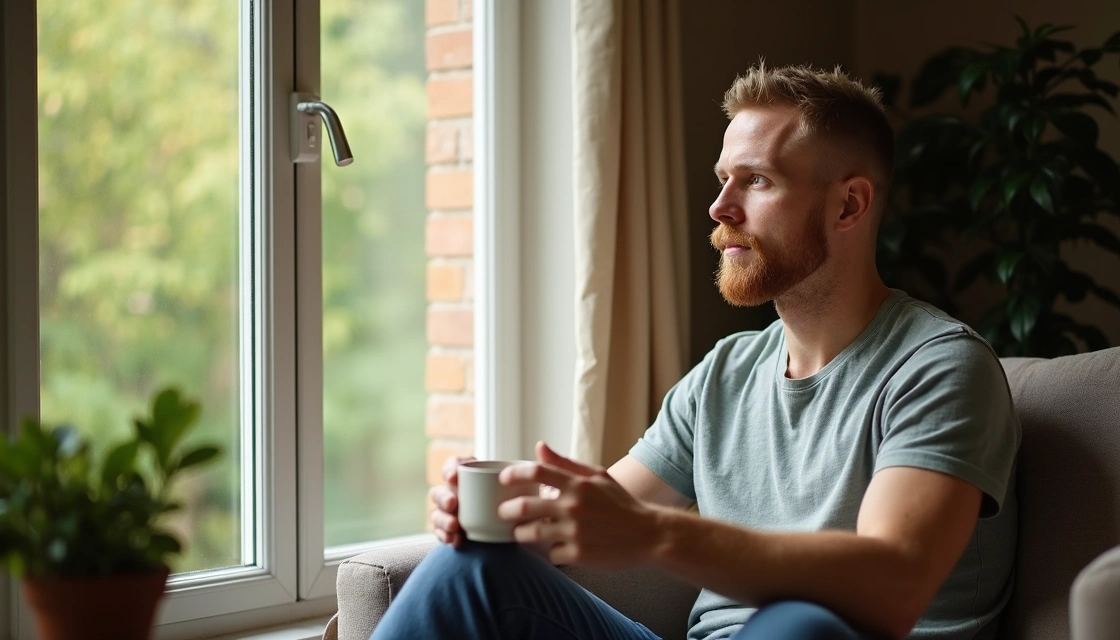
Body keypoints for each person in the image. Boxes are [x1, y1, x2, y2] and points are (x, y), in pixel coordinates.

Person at [370, 63, 1020, 640]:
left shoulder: (938, 367)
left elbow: (895, 585)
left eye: (756, 181)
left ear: (848, 204)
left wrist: (657, 535)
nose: (719, 207)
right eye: (722, 180)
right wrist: (509, 512)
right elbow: (598, 521)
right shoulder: (726, 374)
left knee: (803, 624)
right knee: (465, 570)